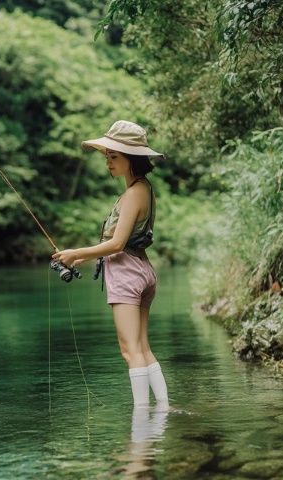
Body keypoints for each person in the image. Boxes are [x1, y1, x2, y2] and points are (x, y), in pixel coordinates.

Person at [51, 120, 169, 410]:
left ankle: (141, 418)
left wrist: (76, 252)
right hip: (142, 269)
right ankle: (163, 409)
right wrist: (77, 257)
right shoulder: (144, 189)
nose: (108, 162)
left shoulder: (133, 194)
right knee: (142, 347)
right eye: (107, 156)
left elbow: (117, 244)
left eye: (114, 156)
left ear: (132, 158)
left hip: (127, 273)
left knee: (130, 351)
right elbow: (123, 241)